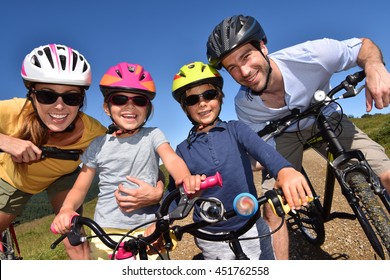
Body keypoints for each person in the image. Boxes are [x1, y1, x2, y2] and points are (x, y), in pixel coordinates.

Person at [206, 14, 390, 259]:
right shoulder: (245, 105)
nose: (245, 71)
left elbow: (363, 46)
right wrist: (276, 171)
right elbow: (262, 148)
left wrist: (374, 66)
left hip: (326, 116)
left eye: (246, 56)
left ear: (262, 46)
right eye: (232, 68)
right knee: (272, 207)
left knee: (387, 175)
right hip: (284, 134)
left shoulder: (313, 54)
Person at [51, 62, 203, 260]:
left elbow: (171, 159)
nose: (129, 106)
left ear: (147, 108)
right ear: (107, 107)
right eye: (120, 99)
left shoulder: (153, 135)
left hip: (150, 228)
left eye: (139, 100)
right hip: (105, 231)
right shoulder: (98, 144)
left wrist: (185, 178)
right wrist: (67, 209)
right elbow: (80, 187)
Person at [169, 61, 312, 260]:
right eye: (193, 100)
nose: (202, 103)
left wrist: (284, 170)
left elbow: (262, 151)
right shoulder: (183, 150)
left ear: (219, 98)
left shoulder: (236, 129)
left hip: (251, 224)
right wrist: (163, 220)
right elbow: (173, 194)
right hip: (210, 235)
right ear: (186, 109)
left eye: (209, 95)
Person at [0, 43, 107, 260]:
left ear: (81, 100)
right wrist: (5, 141)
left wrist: (156, 186)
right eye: (47, 96)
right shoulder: (14, 111)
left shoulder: (94, 131)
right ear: (32, 95)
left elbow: (127, 153)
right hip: (14, 179)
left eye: (71, 97)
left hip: (63, 175)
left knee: (74, 234)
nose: (60, 106)